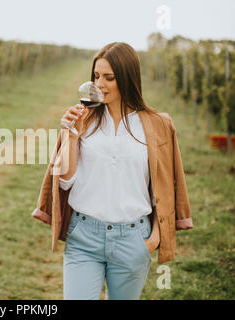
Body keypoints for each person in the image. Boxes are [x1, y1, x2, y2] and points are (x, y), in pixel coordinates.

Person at [31, 42, 193, 300]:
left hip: (134, 240)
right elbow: (64, 181)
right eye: (96, 76)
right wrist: (69, 135)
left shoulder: (159, 125)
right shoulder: (82, 119)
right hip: (84, 238)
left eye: (109, 77)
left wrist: (152, 241)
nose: (100, 84)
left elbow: (168, 187)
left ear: (128, 79)